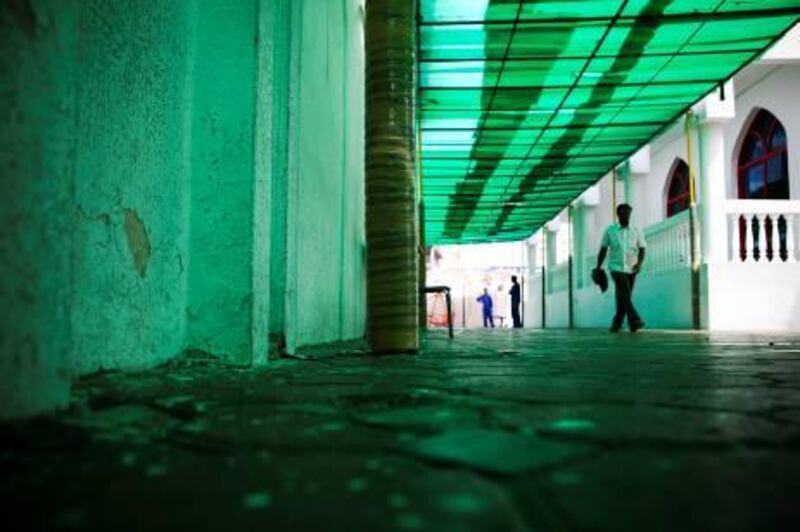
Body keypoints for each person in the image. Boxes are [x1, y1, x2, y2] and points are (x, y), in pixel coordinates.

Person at [595, 203, 647, 333]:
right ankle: (635, 319)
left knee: (624, 296)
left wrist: (639, 264)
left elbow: (642, 248)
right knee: (625, 293)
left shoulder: (636, 230)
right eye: (623, 213)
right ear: (618, 215)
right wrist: (598, 267)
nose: (626, 216)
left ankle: (616, 325)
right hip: (616, 268)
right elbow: (603, 249)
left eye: (628, 213)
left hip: (632, 268)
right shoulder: (610, 230)